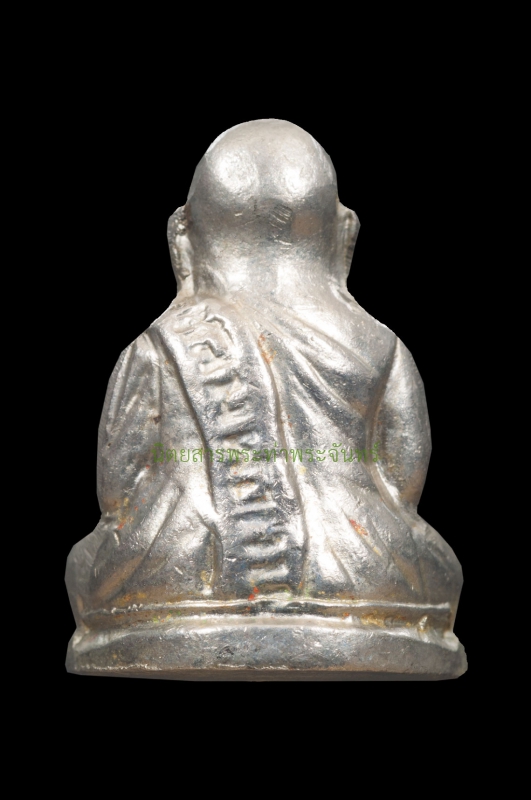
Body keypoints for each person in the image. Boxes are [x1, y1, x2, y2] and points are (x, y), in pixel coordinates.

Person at [66, 119, 462, 634]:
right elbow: (404, 484)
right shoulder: (382, 346)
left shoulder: (154, 347)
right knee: (437, 565)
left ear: (181, 236)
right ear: (345, 234)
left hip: (181, 565)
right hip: (362, 569)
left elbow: (118, 494)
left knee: (86, 565)